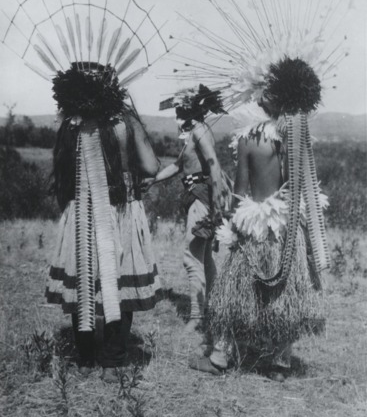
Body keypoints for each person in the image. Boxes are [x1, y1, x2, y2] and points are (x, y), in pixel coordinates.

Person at [190, 58, 329, 380]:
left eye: (263, 93)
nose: (257, 98)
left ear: (272, 98)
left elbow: (240, 191)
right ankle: (280, 362)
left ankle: (221, 356)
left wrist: (229, 222)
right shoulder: (297, 138)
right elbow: (298, 185)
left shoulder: (249, 139)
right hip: (288, 224)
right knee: (285, 294)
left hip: (256, 225)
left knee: (236, 292)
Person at [46, 62, 163, 382]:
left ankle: (85, 358)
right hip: (121, 210)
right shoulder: (126, 121)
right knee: (119, 282)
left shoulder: (71, 124)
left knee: (83, 279)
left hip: (81, 213)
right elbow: (152, 167)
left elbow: (62, 175)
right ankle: (112, 360)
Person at [144, 85, 231, 331]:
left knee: (192, 257)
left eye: (180, 109)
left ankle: (197, 316)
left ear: (189, 110)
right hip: (199, 196)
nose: (176, 115)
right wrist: (154, 179)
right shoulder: (194, 132)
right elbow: (180, 165)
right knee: (203, 257)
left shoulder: (200, 132)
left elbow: (213, 165)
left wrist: (215, 206)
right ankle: (213, 309)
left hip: (202, 197)